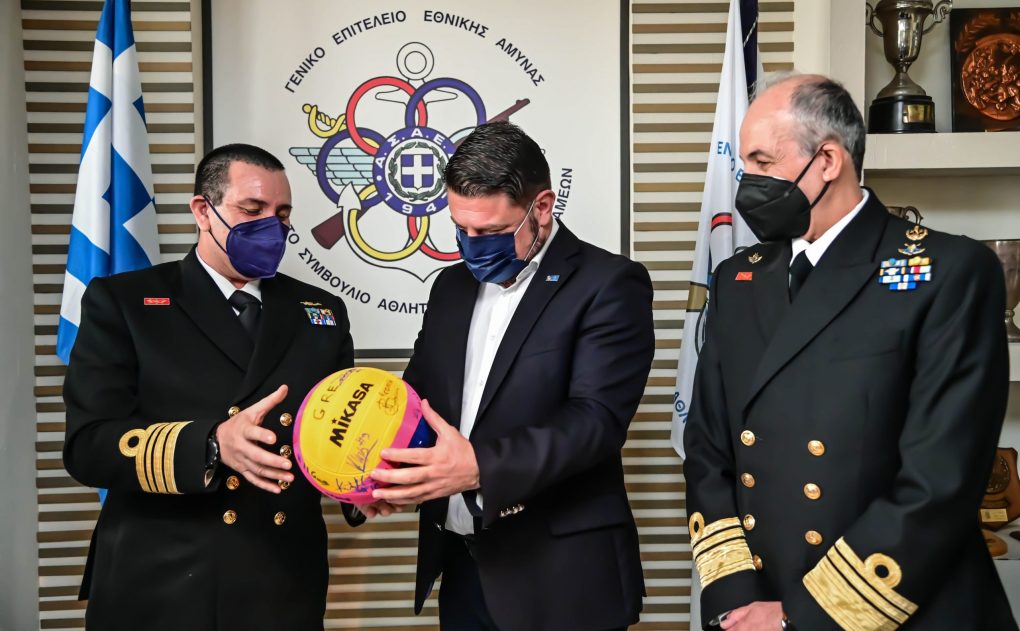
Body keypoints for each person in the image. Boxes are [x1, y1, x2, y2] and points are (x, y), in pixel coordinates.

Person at [683, 74, 1016, 630]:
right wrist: (738, 597)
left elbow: (940, 481)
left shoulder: (948, 273)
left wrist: (800, 617)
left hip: (893, 606)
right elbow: (707, 452)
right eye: (745, 165)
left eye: (763, 162)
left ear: (828, 160)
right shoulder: (739, 280)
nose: (747, 183)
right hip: (757, 603)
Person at [361, 121, 655, 630]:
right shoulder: (450, 286)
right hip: (463, 569)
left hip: (563, 579)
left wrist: (480, 467)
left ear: (542, 207)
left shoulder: (609, 283)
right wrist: (376, 478)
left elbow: (595, 421)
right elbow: (417, 400)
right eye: (461, 229)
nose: (472, 245)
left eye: (492, 232)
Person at [63, 144, 364, 631]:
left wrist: (361, 485)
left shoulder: (321, 312)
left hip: (281, 581)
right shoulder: (126, 303)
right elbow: (88, 446)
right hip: (162, 578)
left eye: (281, 214)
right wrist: (212, 443)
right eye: (252, 210)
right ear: (203, 211)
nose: (271, 227)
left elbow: (336, 434)